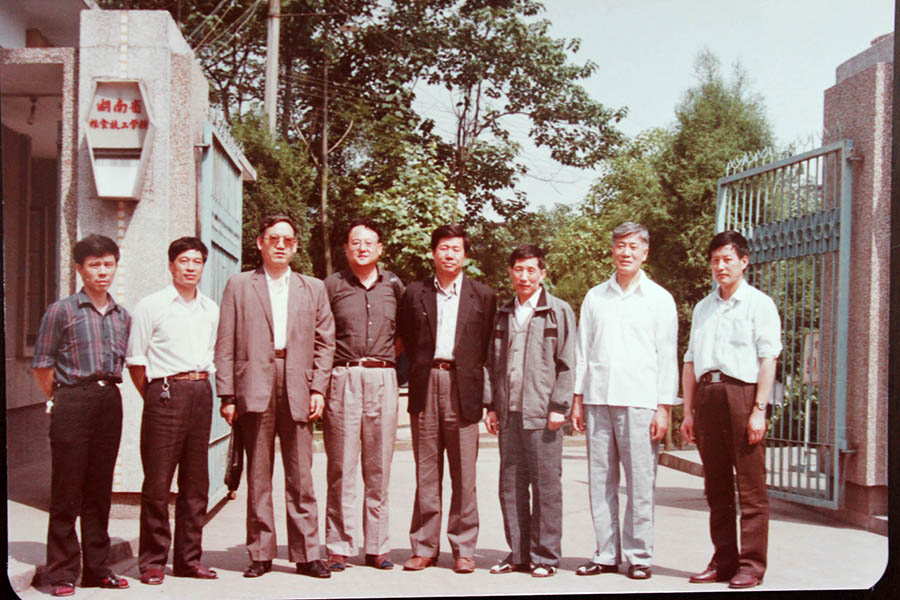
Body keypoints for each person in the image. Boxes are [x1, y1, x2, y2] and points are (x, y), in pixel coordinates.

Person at [214, 215, 336, 579]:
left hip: (298, 382)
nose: (280, 245)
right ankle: (260, 553)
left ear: (295, 246)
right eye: (273, 239)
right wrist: (227, 394)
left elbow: (325, 343)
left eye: (287, 240)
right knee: (259, 475)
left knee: (301, 476)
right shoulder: (239, 285)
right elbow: (225, 342)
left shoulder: (312, 288)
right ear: (260, 243)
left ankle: (307, 554)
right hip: (254, 384)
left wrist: (318, 388)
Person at [571, 222, 678, 580]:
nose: (625, 252)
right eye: (620, 245)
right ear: (612, 250)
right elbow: (583, 351)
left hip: (640, 401)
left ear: (645, 252)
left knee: (640, 483)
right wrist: (577, 398)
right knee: (600, 481)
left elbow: (667, 356)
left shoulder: (659, 299)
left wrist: (663, 407)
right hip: (598, 399)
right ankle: (605, 553)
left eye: (633, 246)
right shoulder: (595, 297)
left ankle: (639, 555)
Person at [680, 230, 781, 590]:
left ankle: (751, 565)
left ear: (744, 261)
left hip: (742, 394)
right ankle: (723, 560)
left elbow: (768, 359)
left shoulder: (758, 304)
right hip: (708, 396)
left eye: (727, 259)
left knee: (751, 488)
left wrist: (758, 410)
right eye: (715, 261)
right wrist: (688, 412)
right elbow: (690, 361)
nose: (720, 266)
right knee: (716, 486)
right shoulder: (703, 308)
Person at [32, 235, 131, 597]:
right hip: (73, 398)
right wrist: (61, 399)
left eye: (108, 264)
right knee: (67, 488)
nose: (102, 272)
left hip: (109, 400)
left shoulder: (122, 315)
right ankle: (61, 572)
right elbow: (42, 366)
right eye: (94, 265)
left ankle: (97, 568)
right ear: (79, 269)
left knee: (100, 489)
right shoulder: (62, 311)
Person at [398, 224, 496, 574]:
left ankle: (464, 548)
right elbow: (405, 340)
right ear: (433, 252)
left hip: (463, 386)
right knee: (426, 471)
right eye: (443, 248)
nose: (449, 254)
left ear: (465, 255)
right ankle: (424, 547)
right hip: (426, 382)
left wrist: (491, 401)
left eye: (456, 249)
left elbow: (489, 350)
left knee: (464, 474)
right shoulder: (415, 292)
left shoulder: (483, 296)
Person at [126, 237, 219, 585]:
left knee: (196, 484)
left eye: (197, 261)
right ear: (171, 265)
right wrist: (156, 395)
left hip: (201, 391)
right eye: (184, 261)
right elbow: (136, 361)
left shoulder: (210, 309)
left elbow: (212, 353)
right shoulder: (151, 306)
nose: (190, 267)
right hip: (164, 393)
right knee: (157, 482)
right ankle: (152, 561)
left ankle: (188, 560)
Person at [484, 245, 576, 578]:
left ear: (542, 273)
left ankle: (546, 557)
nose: (524, 276)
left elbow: (568, 363)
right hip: (509, 413)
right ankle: (519, 554)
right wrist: (491, 406)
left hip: (543, 415)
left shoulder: (558, 311)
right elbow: (490, 363)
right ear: (511, 272)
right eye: (518, 270)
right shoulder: (503, 313)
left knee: (546, 487)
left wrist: (559, 406)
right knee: (511, 486)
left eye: (531, 270)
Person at [322, 219, 404, 572]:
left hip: (383, 376)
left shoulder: (394, 286)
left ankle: (377, 547)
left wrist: (385, 364)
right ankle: (339, 546)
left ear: (380, 248)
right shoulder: (331, 286)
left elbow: (405, 333)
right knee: (342, 466)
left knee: (379, 466)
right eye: (355, 242)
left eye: (369, 242)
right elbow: (320, 334)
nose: (362, 248)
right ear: (346, 248)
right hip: (344, 376)